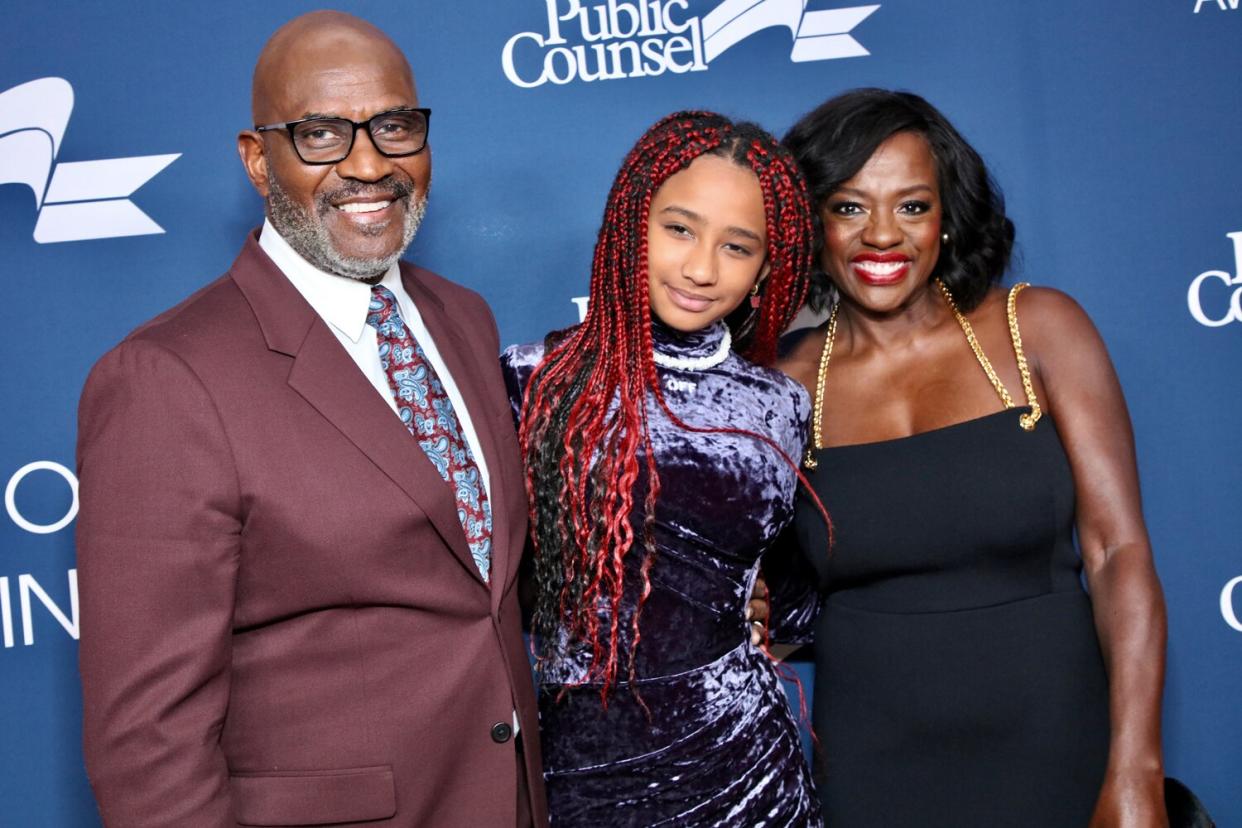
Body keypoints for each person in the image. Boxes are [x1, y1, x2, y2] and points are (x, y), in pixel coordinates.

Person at [75, 12, 546, 827]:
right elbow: (148, 746)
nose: (369, 165)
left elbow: (484, 584)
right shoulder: (164, 380)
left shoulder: (462, 317)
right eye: (322, 134)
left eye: (395, 127)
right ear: (259, 161)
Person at [778, 88, 1168, 827]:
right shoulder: (784, 385)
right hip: (873, 760)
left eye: (912, 207)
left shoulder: (1037, 328)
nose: (882, 236)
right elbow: (750, 582)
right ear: (813, 225)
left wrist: (1136, 767)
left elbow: (1119, 553)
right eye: (851, 207)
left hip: (1057, 739)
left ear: (948, 218)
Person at [501, 111, 824, 826]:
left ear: (769, 267)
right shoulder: (532, 379)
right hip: (581, 772)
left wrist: (757, 606)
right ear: (631, 223)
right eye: (679, 229)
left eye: (736, 247)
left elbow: (797, 590)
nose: (701, 268)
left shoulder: (780, 405)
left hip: (747, 767)